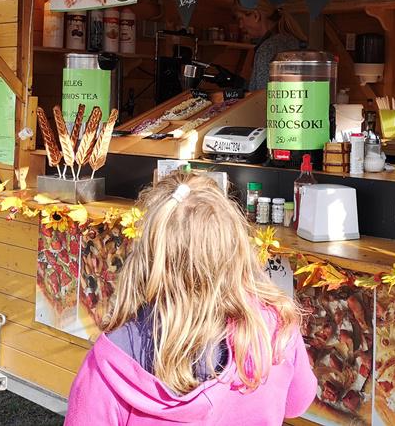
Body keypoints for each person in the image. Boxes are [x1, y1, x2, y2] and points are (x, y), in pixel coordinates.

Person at [64, 173, 317, 425]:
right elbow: (297, 402)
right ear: (237, 246)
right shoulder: (276, 325)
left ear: (148, 257)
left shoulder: (112, 363)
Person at [234, 0, 306, 91]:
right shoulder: (292, 40)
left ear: (256, 15)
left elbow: (264, 96)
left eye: (241, 19)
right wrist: (240, 83)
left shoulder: (268, 49)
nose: (240, 25)